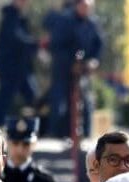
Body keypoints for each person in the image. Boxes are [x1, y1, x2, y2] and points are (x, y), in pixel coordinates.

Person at [45, 0, 102, 138]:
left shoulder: (92, 23)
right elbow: (56, 46)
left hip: (83, 69)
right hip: (63, 68)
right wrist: (71, 62)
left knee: (85, 100)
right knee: (60, 101)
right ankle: (57, 134)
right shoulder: (65, 20)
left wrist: (93, 61)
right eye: (83, 6)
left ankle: (86, 134)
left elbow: (98, 45)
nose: (85, 9)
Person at [0, 0, 39, 126]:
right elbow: (15, 38)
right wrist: (33, 43)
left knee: (31, 96)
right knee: (4, 98)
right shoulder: (10, 16)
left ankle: (29, 126)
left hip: (21, 67)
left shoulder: (18, 16)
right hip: (10, 67)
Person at [1, 117, 59, 182]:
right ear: (6, 143)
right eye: (15, 143)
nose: (20, 149)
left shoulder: (46, 181)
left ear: (34, 144)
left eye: (26, 144)